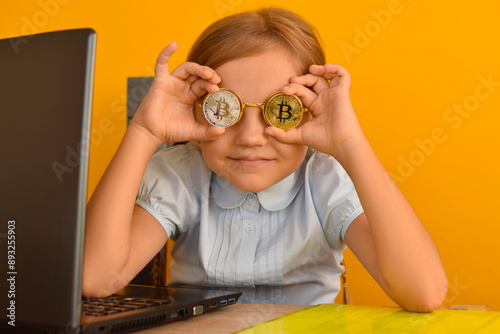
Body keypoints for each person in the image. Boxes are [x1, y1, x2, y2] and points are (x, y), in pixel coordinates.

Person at [83, 7, 447, 312]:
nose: (251, 137)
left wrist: (350, 143)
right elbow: (95, 278)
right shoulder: (180, 174)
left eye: (280, 110)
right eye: (225, 109)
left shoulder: (325, 178)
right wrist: (145, 133)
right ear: (199, 109)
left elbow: (424, 292)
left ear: (309, 111)